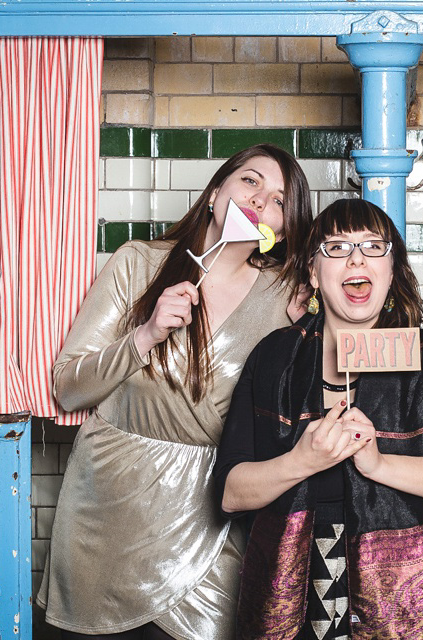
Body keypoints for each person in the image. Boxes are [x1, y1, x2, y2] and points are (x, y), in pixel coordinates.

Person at [37, 144, 313, 640]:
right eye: (250, 182)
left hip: (212, 515)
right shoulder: (137, 263)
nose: (259, 201)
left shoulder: (284, 300)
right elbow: (67, 388)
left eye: (277, 200)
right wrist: (144, 336)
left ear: (283, 229)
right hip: (108, 514)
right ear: (215, 193)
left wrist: (309, 325)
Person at [214, 198, 423, 639]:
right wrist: (301, 460)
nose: (356, 258)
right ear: (312, 274)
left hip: (411, 593)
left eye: (373, 247)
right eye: (336, 248)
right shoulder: (274, 356)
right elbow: (229, 493)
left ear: (392, 270)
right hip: (290, 589)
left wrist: (378, 464)